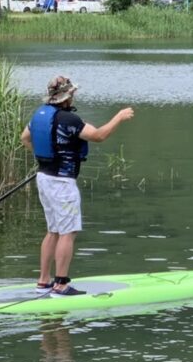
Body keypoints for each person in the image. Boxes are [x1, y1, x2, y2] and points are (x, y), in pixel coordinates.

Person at [20, 76, 134, 295]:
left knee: (53, 230)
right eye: (72, 93)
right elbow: (99, 136)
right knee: (67, 232)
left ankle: (43, 281)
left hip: (44, 177)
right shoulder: (68, 120)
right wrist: (119, 116)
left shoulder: (40, 114)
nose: (74, 95)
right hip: (62, 182)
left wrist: (45, 157)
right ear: (66, 96)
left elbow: (25, 137)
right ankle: (61, 284)